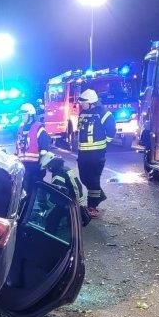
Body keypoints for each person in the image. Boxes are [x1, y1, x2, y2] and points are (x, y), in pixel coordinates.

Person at [76, 88, 116, 217]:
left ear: (91, 102)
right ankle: (100, 195)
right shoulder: (83, 113)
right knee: (84, 178)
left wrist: (104, 145)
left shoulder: (104, 114)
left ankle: (92, 207)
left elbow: (111, 131)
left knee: (93, 180)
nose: (81, 104)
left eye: (84, 102)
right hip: (83, 154)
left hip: (96, 154)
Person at [40, 151, 92, 227]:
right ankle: (79, 214)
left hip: (70, 201)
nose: (48, 169)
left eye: (47, 166)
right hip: (76, 197)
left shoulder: (58, 174)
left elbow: (58, 193)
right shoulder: (64, 168)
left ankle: (76, 216)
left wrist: (47, 205)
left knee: (50, 221)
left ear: (51, 164)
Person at [15, 102, 52, 193]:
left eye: (24, 115)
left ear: (31, 115)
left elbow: (45, 141)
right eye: (21, 115)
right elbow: (18, 145)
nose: (22, 117)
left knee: (36, 191)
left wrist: (43, 151)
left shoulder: (38, 128)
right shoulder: (21, 128)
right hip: (23, 166)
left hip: (35, 166)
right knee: (24, 190)